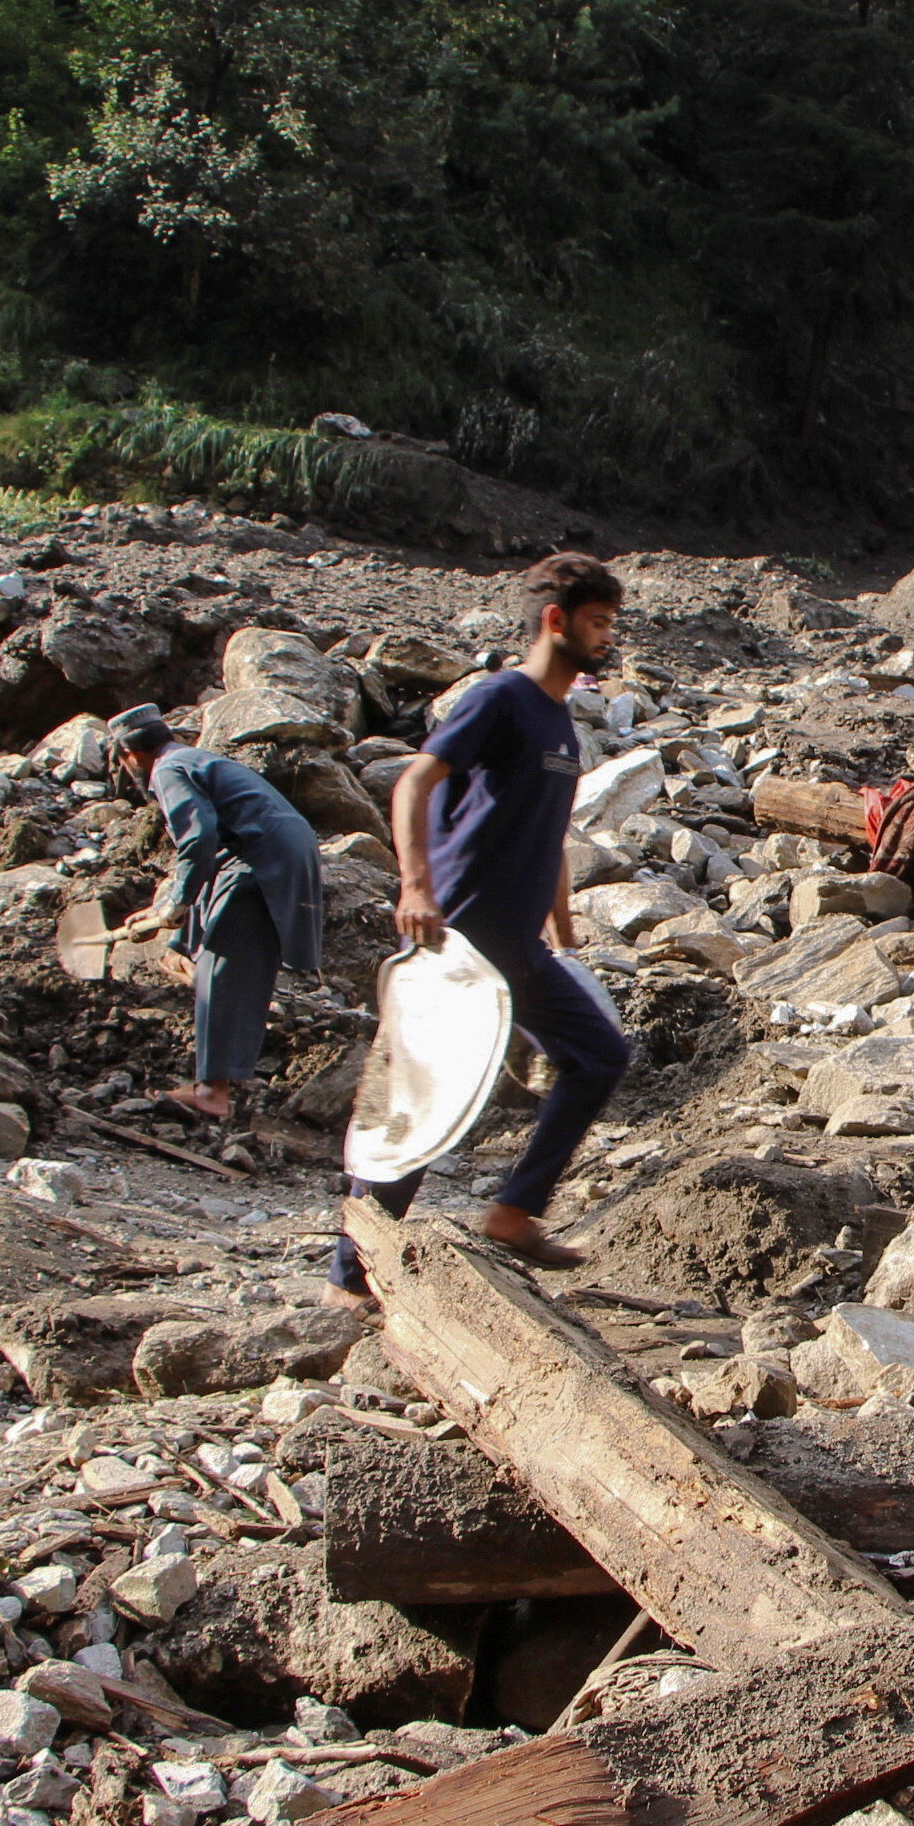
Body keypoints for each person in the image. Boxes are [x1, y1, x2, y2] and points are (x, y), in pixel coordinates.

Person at [331, 552, 633, 1294]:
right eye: (597, 622)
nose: (607, 637)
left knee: (599, 1055)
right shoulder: (500, 698)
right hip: (456, 933)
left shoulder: (562, 723)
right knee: (425, 1101)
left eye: (611, 625)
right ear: (554, 620)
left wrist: (563, 935)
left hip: (518, 943)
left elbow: (552, 837)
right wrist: (415, 884)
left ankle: (513, 1211)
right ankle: (349, 1275)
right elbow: (414, 781)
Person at [110, 705, 325, 1122]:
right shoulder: (198, 759)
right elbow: (214, 858)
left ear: (130, 755)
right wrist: (173, 930)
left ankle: (212, 1092)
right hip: (281, 852)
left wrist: (175, 904)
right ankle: (217, 1082)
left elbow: (199, 841)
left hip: (259, 857)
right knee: (224, 954)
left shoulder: (167, 770)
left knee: (222, 961)